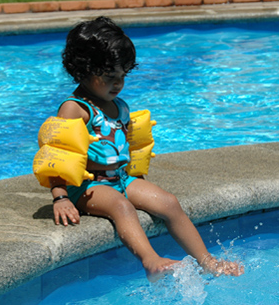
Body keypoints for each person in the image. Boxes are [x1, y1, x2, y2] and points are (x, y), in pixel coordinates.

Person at [48, 16, 244, 281]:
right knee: (121, 206)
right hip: (87, 186)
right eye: (109, 77)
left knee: (168, 202)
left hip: (120, 178)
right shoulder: (75, 109)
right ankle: (151, 260)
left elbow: (124, 147)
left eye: (122, 75)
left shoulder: (119, 106)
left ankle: (207, 260)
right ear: (83, 70)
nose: (118, 83)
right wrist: (60, 197)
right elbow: (58, 156)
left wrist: (137, 183)